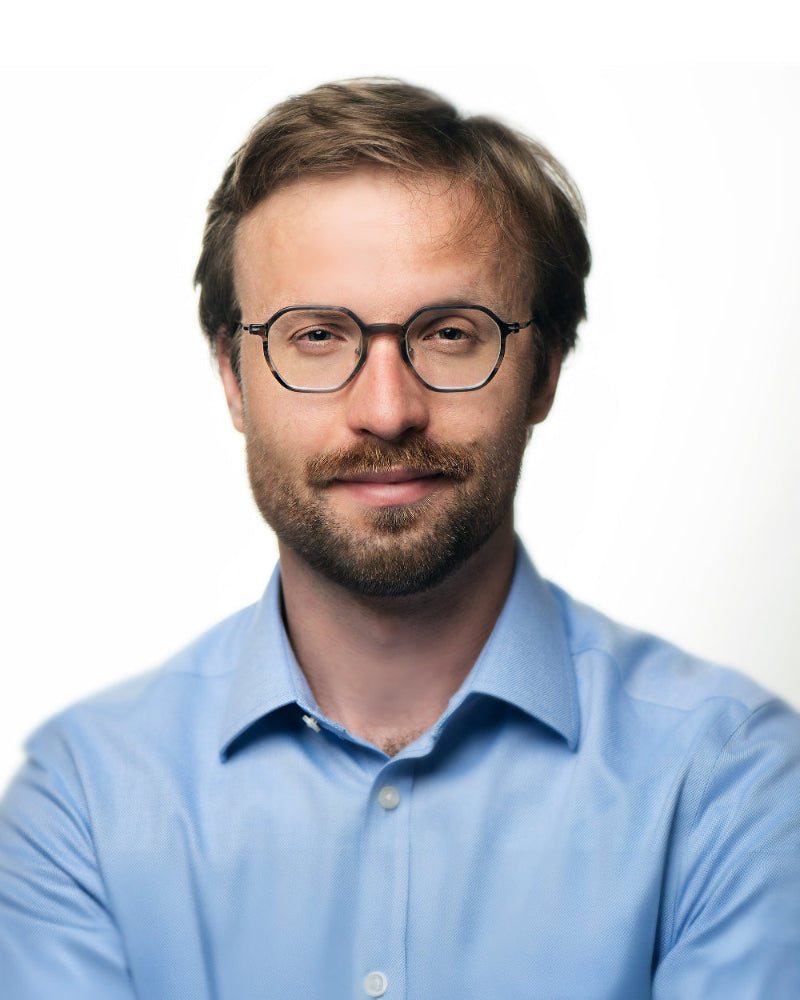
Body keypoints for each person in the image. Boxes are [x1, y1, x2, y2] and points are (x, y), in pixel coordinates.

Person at [1, 78, 798, 999]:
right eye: (316, 336)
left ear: (543, 372)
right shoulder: (87, 800)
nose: (386, 411)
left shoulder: (735, 783)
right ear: (232, 377)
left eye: (451, 333)